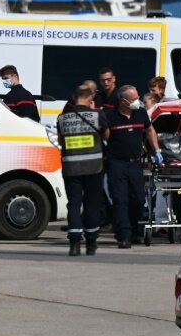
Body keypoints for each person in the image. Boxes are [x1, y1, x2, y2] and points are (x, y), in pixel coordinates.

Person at [102, 85, 163, 249]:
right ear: (123, 101)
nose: (137, 102)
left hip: (135, 163)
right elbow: (104, 136)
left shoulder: (141, 114)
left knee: (138, 199)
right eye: (134, 99)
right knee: (120, 200)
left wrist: (157, 149)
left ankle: (135, 230)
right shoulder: (110, 116)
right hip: (116, 164)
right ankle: (124, 235)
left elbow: (149, 130)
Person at [56, 85, 105, 256]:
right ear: (89, 99)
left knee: (74, 204)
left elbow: (61, 140)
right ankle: (91, 243)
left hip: (71, 167)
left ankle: (74, 244)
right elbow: (106, 135)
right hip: (94, 167)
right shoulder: (97, 115)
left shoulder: (62, 118)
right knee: (92, 205)